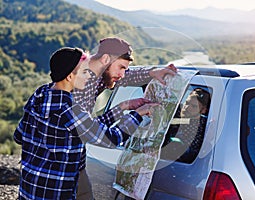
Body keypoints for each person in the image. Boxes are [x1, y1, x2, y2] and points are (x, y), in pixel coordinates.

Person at [13, 47, 158, 200]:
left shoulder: (41, 93)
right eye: (84, 72)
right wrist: (138, 114)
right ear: (69, 76)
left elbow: (19, 136)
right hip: (54, 191)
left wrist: (122, 107)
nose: (89, 77)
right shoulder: (69, 109)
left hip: (30, 187)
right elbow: (112, 138)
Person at [72, 37, 177, 199]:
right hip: (61, 167)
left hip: (74, 163)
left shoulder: (96, 75)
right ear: (106, 59)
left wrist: (125, 105)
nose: (122, 75)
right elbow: (95, 134)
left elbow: (89, 126)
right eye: (121, 67)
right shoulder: (81, 84)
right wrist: (137, 115)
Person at [161, 88, 211, 163]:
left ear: (204, 110)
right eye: (186, 103)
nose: (186, 108)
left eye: (193, 106)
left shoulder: (201, 128)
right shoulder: (175, 114)